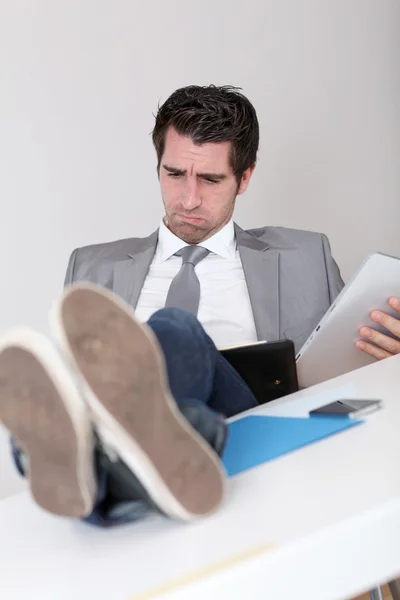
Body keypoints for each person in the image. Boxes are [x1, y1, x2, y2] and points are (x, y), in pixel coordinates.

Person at [1, 85, 399, 528]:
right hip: (188, 445)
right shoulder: (94, 266)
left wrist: (389, 356)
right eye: (174, 174)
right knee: (160, 388)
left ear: (244, 178)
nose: (188, 200)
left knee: (172, 329)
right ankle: (135, 462)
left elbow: (346, 363)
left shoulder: (305, 256)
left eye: (210, 180)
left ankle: (93, 463)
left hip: (254, 421)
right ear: (158, 167)